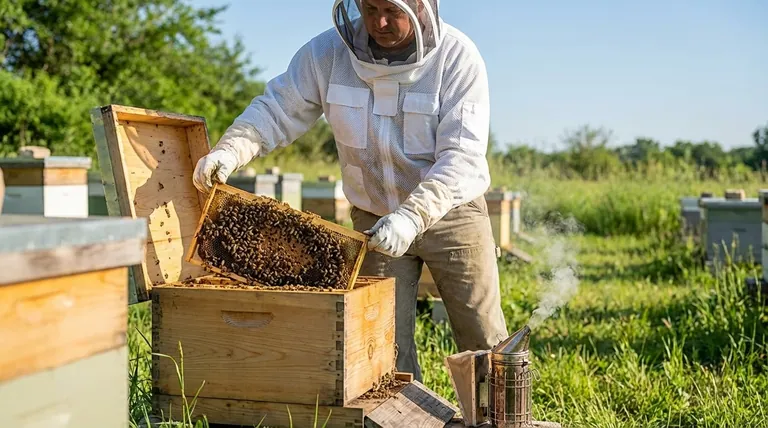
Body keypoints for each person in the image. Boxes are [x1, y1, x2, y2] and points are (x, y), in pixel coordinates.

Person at [193, 0, 508, 381]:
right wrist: (233, 147)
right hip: (374, 220)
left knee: (483, 337)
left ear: (421, 7)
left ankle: (498, 419)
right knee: (381, 343)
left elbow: (461, 155)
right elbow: (278, 108)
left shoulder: (457, 58)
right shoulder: (326, 54)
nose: (380, 21)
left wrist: (412, 215)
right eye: (369, 7)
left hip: (452, 214)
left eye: (392, 10)